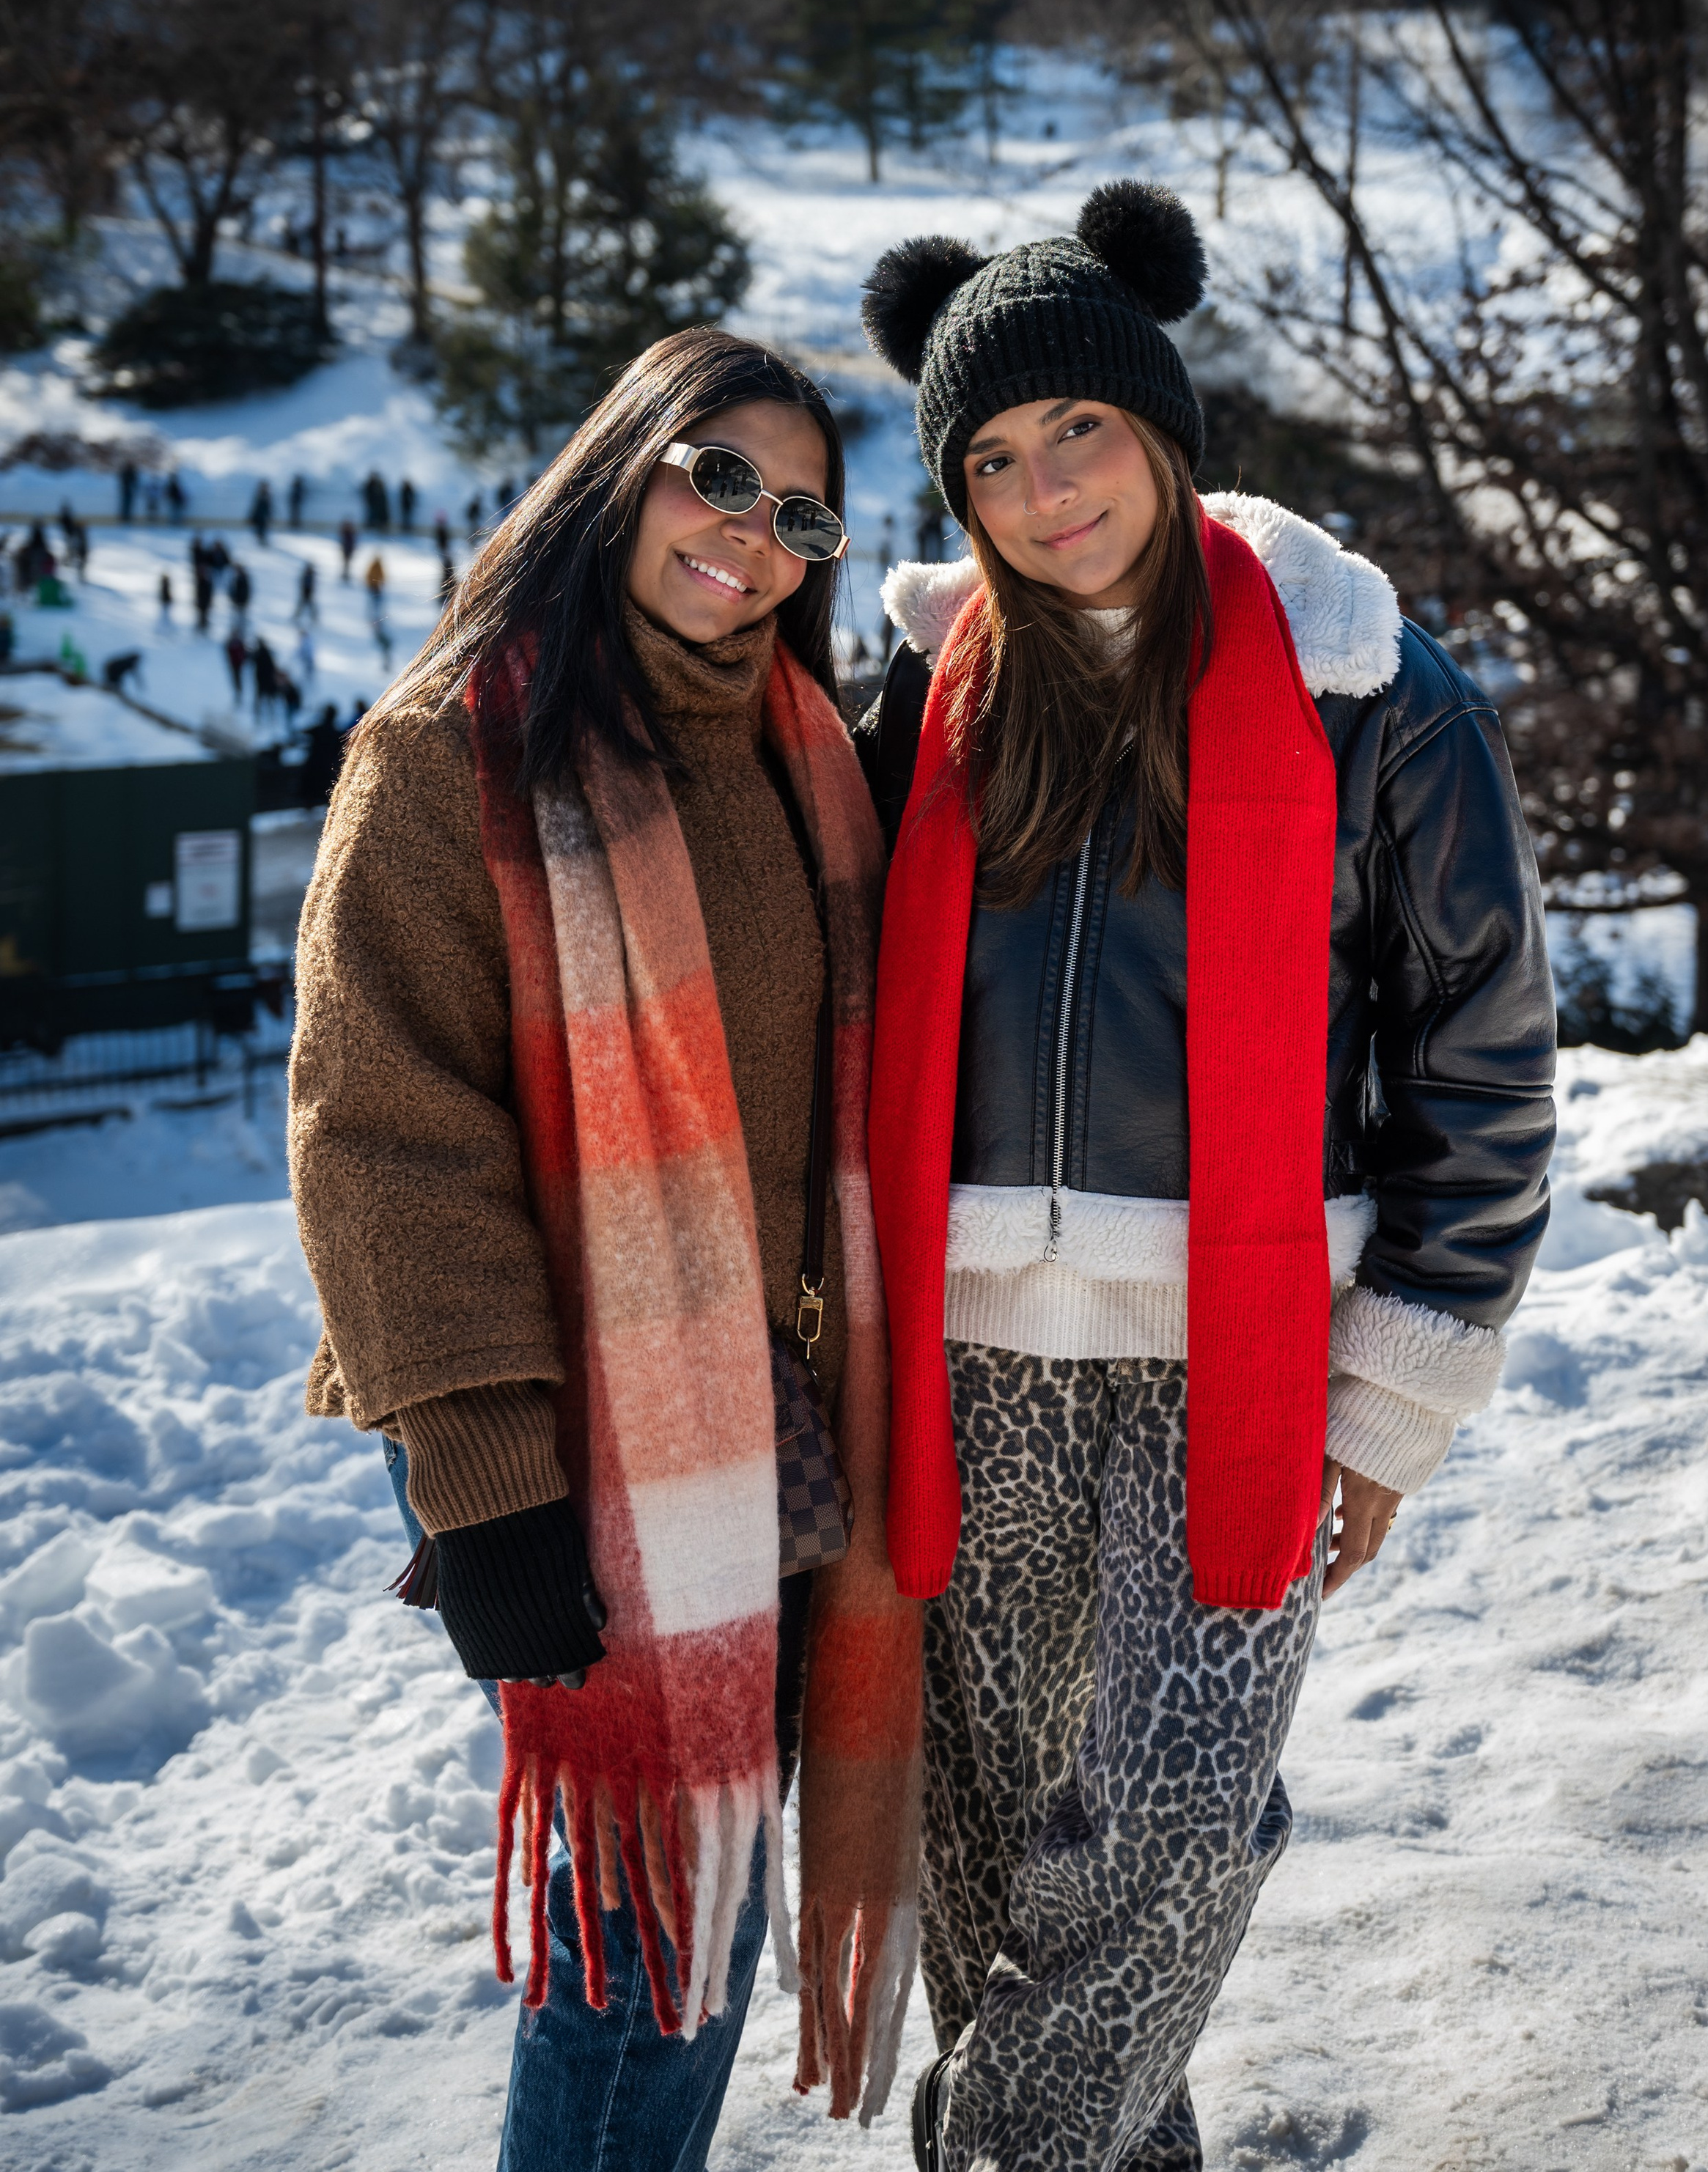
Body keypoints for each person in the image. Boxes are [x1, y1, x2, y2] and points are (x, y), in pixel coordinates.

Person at [851, 184, 1557, 2172]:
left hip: (1235, 1363)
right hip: (969, 1362)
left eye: (1077, 429)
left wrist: (1399, 1399)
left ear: (1161, 424)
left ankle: (989, 2149)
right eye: (991, 457)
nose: (1045, 488)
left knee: (1170, 1828)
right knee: (989, 1863)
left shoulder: (1370, 695)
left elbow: (1483, 1059)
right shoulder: (929, 701)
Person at [287, 327, 925, 2166]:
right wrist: (481, 1476)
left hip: (780, 1429)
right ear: (623, 467)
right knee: (652, 1917)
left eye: (797, 513)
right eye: (716, 477)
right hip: (584, 1437)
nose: (750, 537)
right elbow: (384, 1138)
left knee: (703, 1896)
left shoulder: (808, 752)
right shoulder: (448, 759)